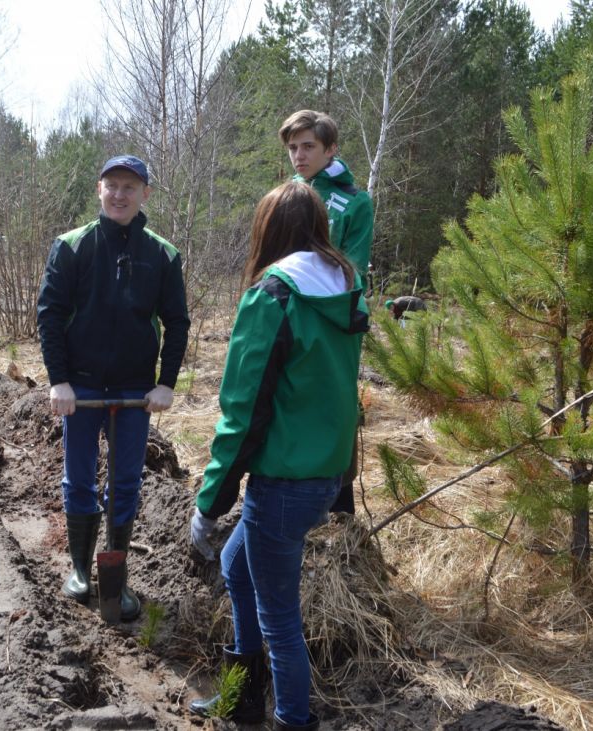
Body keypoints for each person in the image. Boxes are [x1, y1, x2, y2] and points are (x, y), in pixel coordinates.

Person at [188, 182, 368, 730]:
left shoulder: (275, 295)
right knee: (234, 567)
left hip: (284, 481)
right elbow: (339, 393)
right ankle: (242, 696)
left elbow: (242, 411)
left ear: (268, 230)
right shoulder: (345, 290)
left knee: (280, 621)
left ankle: (292, 720)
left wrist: (209, 502)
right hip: (324, 473)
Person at [37, 154, 190, 622]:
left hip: (133, 391)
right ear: (99, 189)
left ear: (145, 194)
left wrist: (165, 384)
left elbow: (177, 322)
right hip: (80, 388)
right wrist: (59, 380)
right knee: (78, 479)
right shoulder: (71, 246)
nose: (120, 194)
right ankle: (82, 570)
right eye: (112, 185)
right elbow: (50, 316)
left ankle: (116, 578)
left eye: (130, 187)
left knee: (125, 483)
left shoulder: (162, 254)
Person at [279, 109, 374, 515]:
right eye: (292, 148)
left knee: (334, 406)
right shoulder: (286, 195)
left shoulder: (354, 201)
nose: (298, 156)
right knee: (284, 402)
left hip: (331, 320)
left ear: (331, 148)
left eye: (308, 146)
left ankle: (339, 511)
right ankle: (281, 497)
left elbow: (351, 270)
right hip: (282, 315)